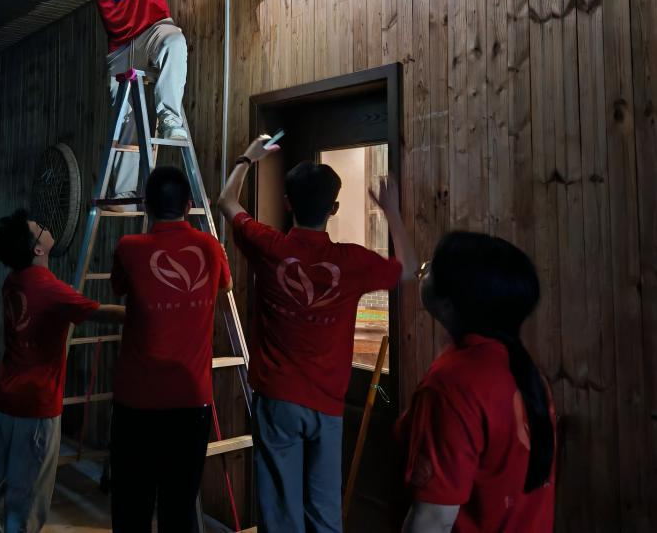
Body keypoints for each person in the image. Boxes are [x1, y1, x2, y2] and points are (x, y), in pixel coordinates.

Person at [217, 137, 418, 533]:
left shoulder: (269, 246)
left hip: (277, 398)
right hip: (328, 403)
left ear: (287, 203)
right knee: (325, 513)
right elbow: (408, 268)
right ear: (334, 208)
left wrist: (247, 158)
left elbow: (226, 201)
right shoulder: (352, 261)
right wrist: (392, 212)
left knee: (280, 512)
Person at [399, 232, 556, 533]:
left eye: (432, 267)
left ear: (451, 301)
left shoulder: (452, 386)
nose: (423, 270)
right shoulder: (525, 371)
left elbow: (432, 520)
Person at [49, 0, 198, 206]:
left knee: (174, 40)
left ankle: (170, 120)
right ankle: (126, 192)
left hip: (154, 30)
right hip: (120, 51)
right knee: (126, 117)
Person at [0, 209, 125, 533]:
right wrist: (146, 313)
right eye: (41, 227)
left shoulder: (12, 281)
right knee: (28, 497)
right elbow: (101, 312)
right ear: (38, 248)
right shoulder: (49, 288)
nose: (47, 227)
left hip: (5, 398)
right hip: (36, 405)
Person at [108, 166, 232, 533]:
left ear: (146, 206)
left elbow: (118, 287)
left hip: (136, 402)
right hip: (191, 401)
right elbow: (227, 286)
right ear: (189, 205)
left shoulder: (129, 248)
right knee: (179, 508)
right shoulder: (209, 247)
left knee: (131, 509)